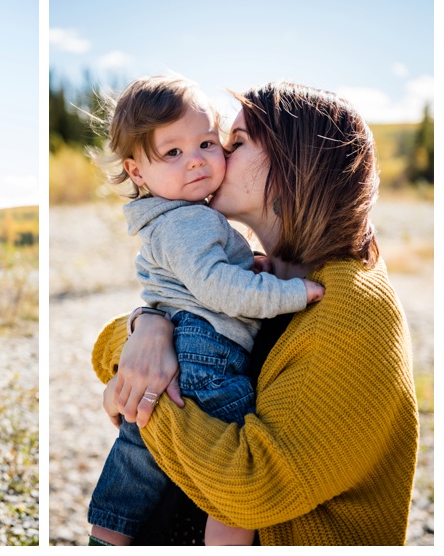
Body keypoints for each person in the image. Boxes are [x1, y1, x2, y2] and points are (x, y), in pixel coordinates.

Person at [92, 81, 418, 545]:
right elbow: (125, 335)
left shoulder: (351, 308)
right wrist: (147, 327)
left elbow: (252, 486)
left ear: (292, 165)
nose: (214, 154)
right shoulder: (272, 277)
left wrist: (140, 401)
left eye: (234, 142)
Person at [86, 76, 324, 546]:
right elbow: (219, 289)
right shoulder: (190, 221)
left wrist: (245, 265)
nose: (195, 159)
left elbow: (199, 278)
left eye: (207, 143)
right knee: (238, 482)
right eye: (171, 153)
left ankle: (106, 536)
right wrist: (293, 292)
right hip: (207, 355)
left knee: (137, 458)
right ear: (137, 172)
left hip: (189, 343)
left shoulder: (171, 218)